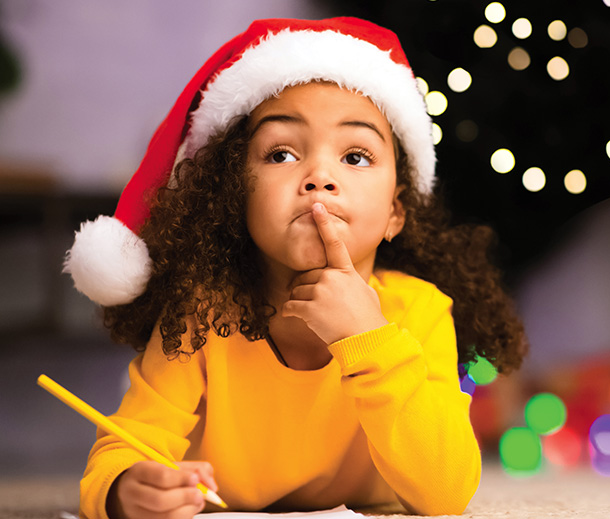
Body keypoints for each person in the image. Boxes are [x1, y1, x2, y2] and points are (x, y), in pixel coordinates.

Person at [64, 17, 528, 519]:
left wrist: (369, 339)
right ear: (235, 195)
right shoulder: (201, 312)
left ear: (397, 212)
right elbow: (125, 449)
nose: (320, 177)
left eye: (355, 156)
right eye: (281, 153)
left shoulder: (420, 310)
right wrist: (126, 489)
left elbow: (447, 493)